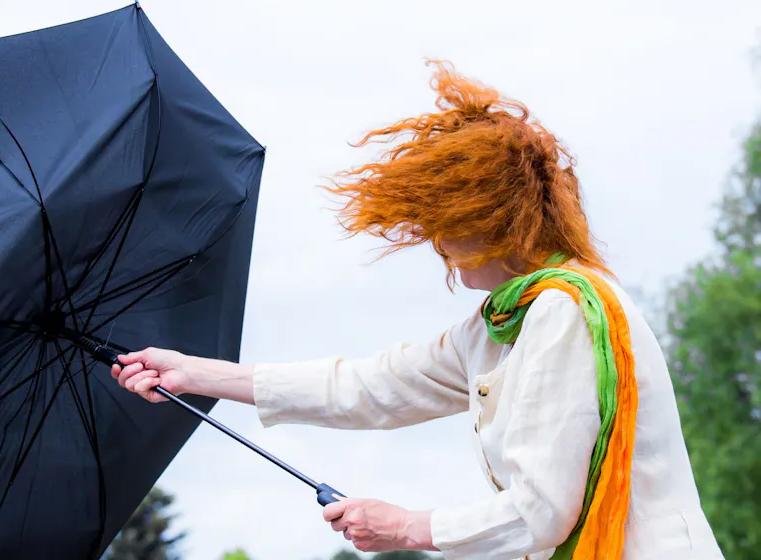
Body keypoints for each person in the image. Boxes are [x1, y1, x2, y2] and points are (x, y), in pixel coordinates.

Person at [109, 61, 723, 560]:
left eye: (444, 225)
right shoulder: (500, 326)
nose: (439, 247)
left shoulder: (562, 312)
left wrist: (406, 527)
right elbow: (366, 386)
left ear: (489, 220)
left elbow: (541, 512)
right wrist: (195, 373)